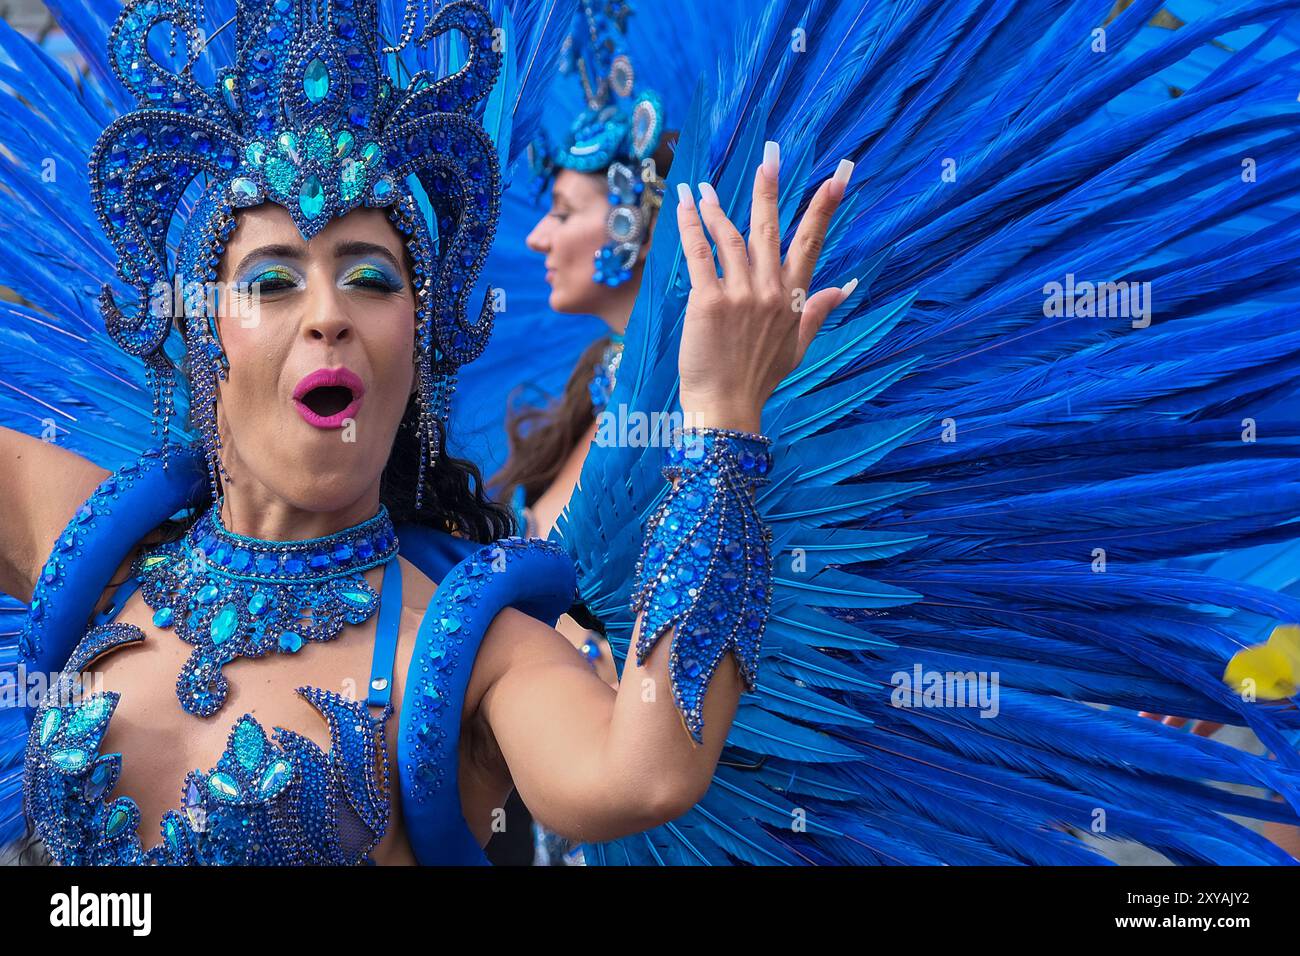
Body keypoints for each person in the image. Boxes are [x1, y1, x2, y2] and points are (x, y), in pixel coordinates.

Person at [4, 0, 1300, 868]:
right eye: (275, 279)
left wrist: (727, 416)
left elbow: (643, 770)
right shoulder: (94, 542)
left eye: (374, 277)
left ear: (424, 340)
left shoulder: (465, 640)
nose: (329, 314)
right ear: (200, 328)